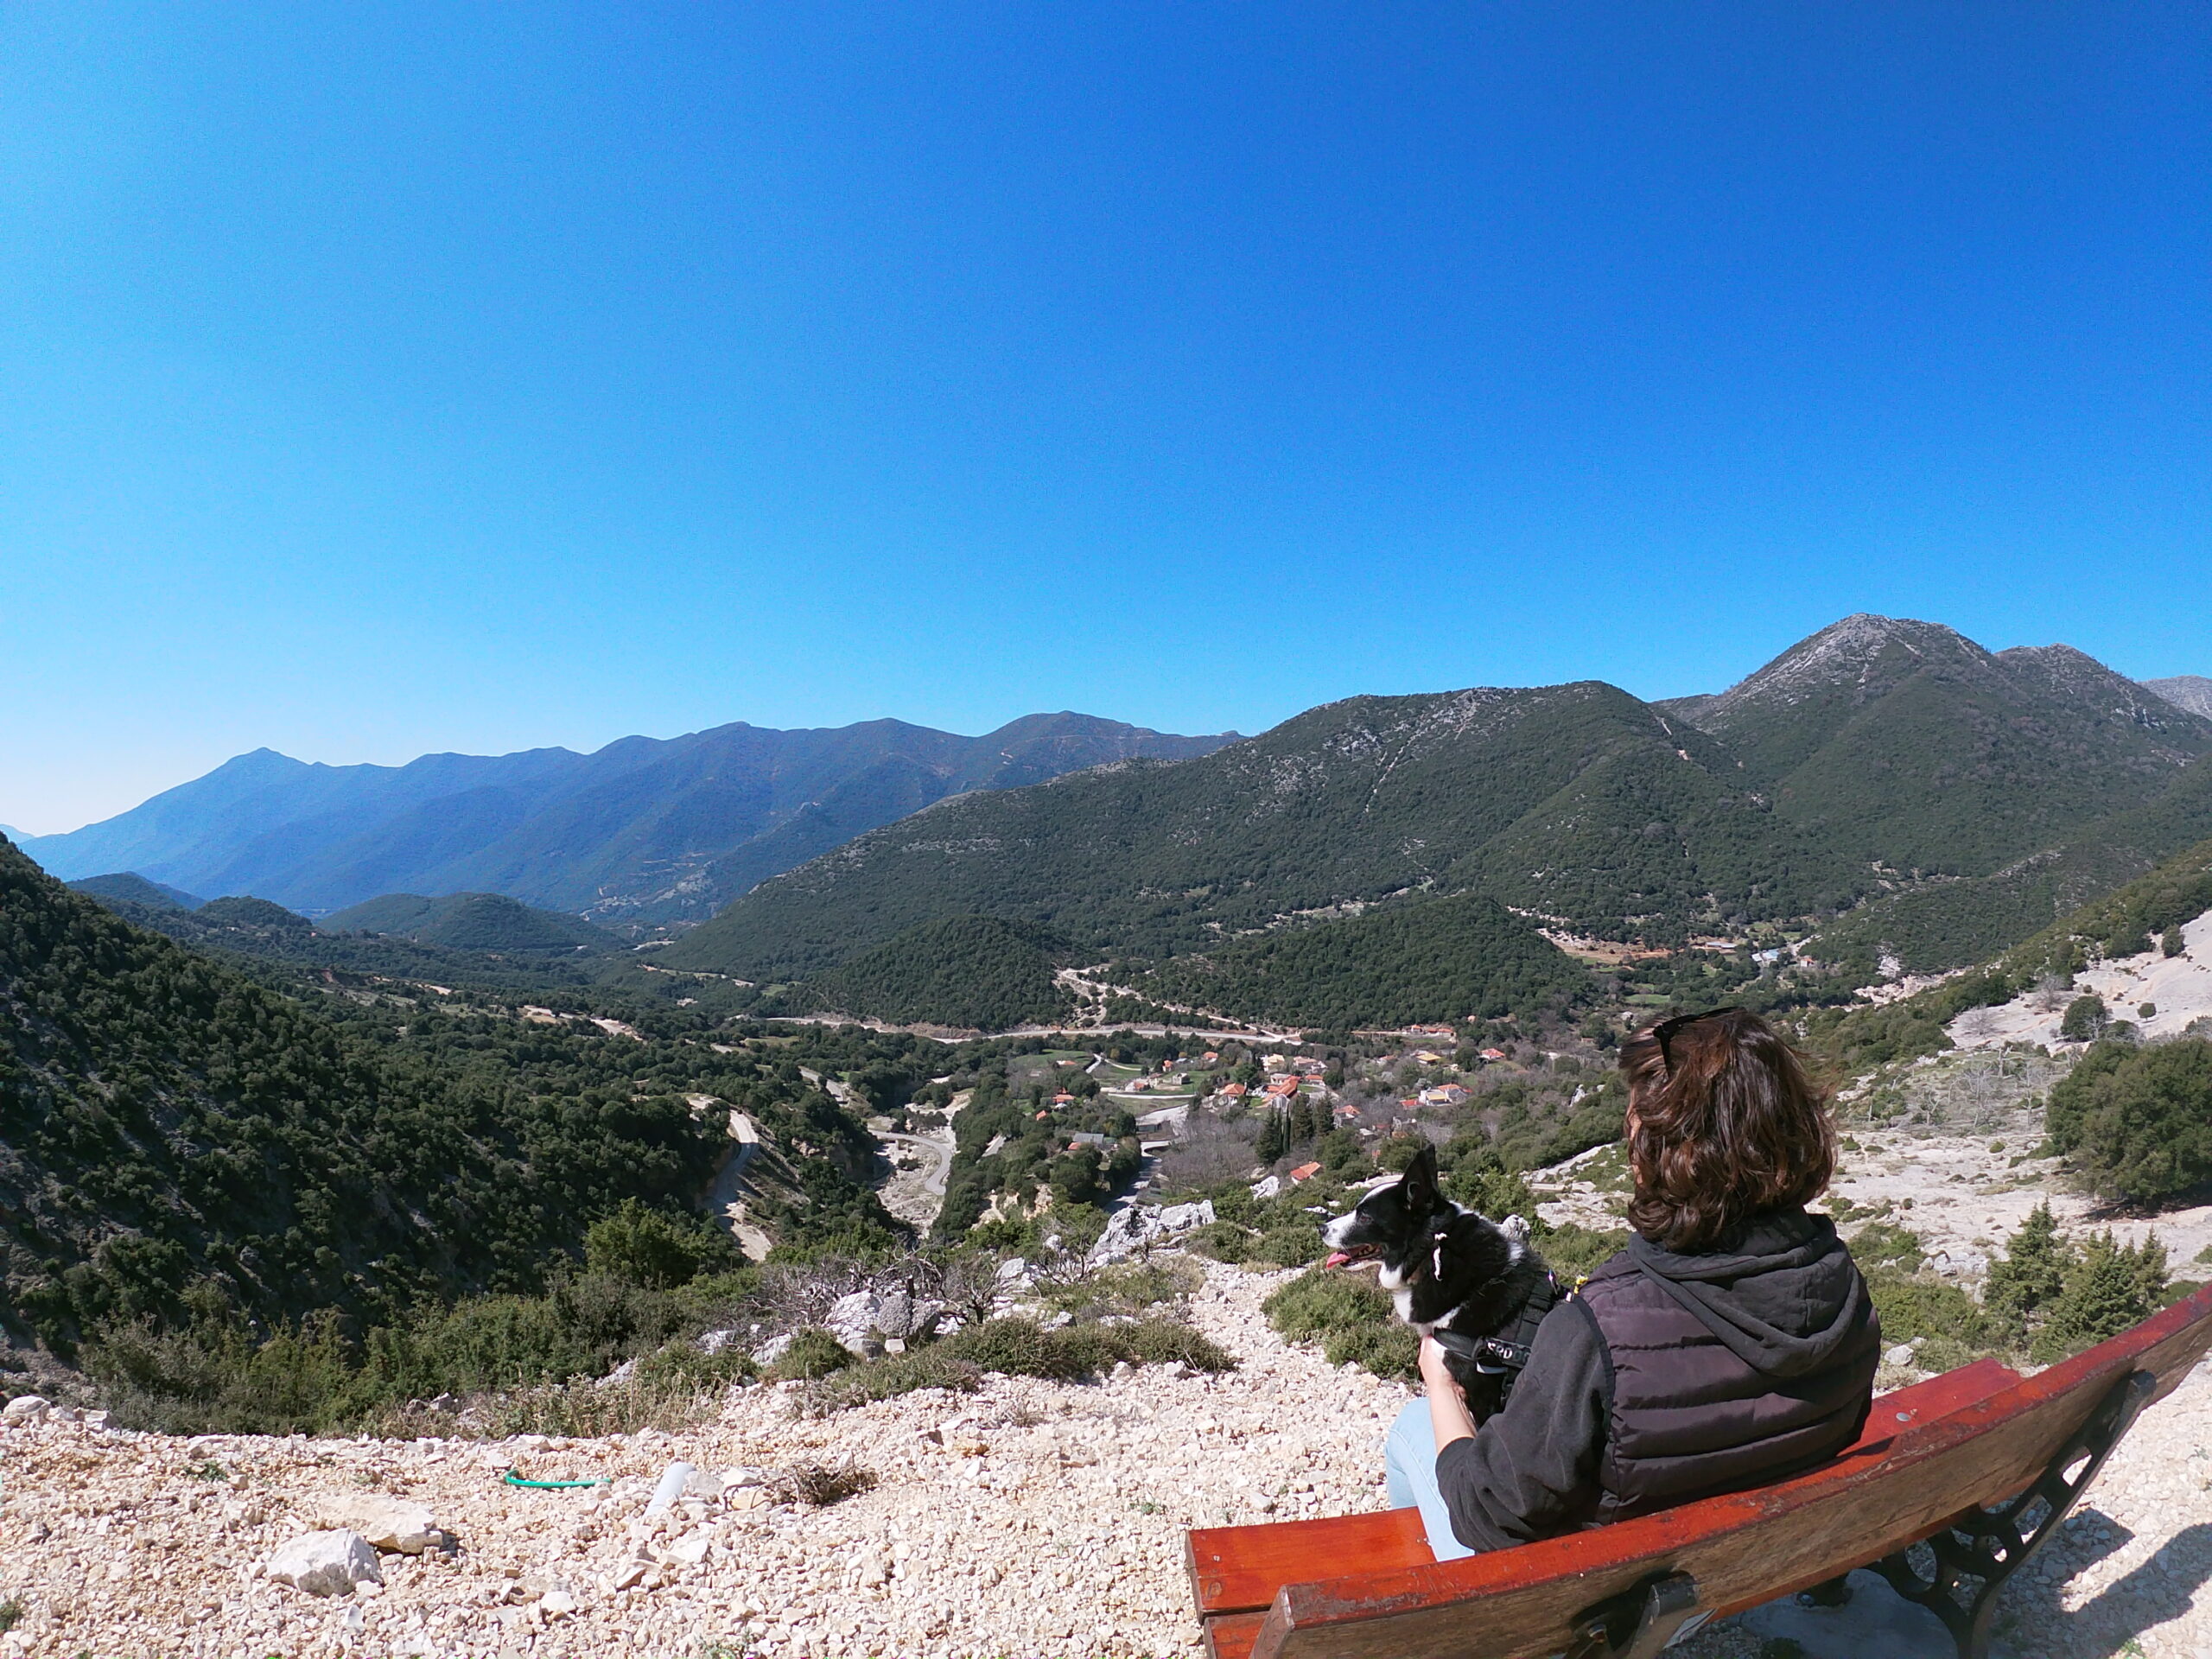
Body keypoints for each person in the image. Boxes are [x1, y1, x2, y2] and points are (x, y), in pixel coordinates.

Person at [1383, 1007, 1879, 1559]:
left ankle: (1425, 1594)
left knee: (1413, 1427)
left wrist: (1441, 1384)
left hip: (1626, 1587)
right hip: (1762, 1555)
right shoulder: (1840, 1283)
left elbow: (1489, 1515)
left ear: (1657, 1153)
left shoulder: (1598, 1330)